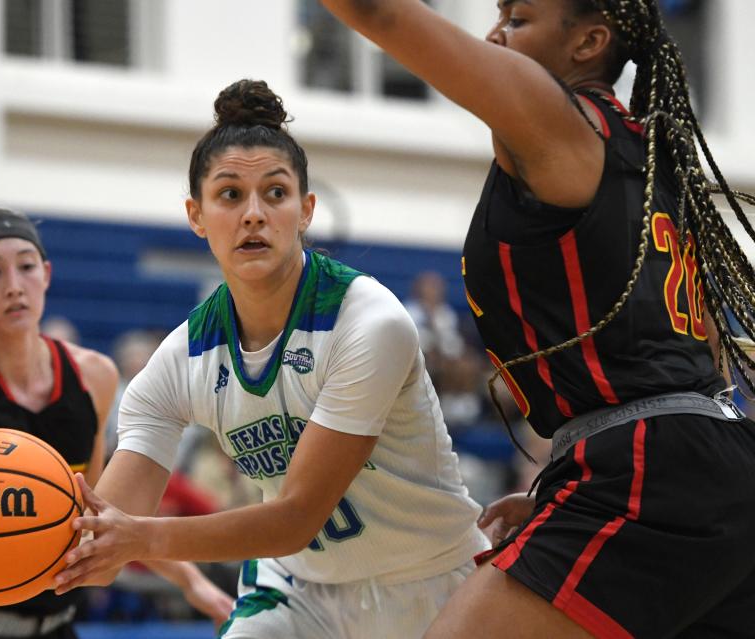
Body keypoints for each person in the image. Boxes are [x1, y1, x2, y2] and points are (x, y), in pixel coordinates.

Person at [317, 1, 755, 637]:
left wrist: (627, 478)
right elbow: (706, 348)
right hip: (715, 461)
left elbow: (381, 15)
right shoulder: (646, 155)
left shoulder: (557, 115)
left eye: (518, 18)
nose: (494, 34)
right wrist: (579, 478)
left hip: (648, 471)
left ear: (588, 42)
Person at [46, 79, 489, 639]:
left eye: (274, 193)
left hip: (433, 584)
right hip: (298, 593)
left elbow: (297, 516)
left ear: (305, 210)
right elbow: (99, 542)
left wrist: (145, 537)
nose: (253, 213)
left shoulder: (370, 320)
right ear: (196, 215)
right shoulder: (181, 359)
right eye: (230, 194)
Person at [0, 208, 233, 638]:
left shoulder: (94, 375)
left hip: (56, 626)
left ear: (46, 274)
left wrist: (193, 582)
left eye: (27, 267)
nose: (15, 286)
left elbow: (102, 512)